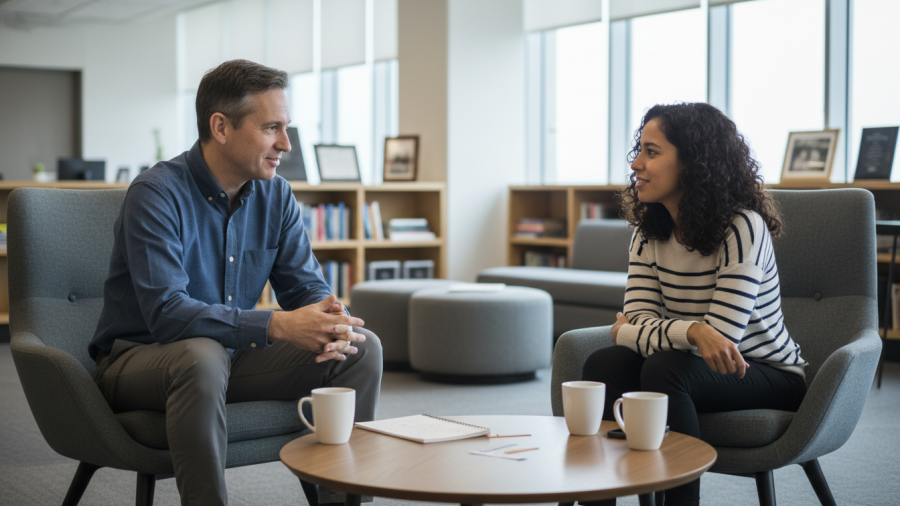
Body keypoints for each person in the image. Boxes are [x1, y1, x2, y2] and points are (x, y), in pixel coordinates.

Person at [88, 59, 383, 506]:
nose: (286, 144)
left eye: (286, 128)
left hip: (227, 359)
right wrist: (277, 326)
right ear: (221, 126)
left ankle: (339, 500)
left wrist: (333, 319)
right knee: (199, 355)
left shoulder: (276, 194)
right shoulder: (156, 194)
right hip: (140, 362)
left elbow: (305, 289)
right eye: (272, 128)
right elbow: (168, 315)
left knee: (362, 346)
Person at [581, 103, 807, 506]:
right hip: (688, 362)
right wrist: (692, 332)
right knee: (604, 365)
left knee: (668, 371)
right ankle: (599, 497)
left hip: (767, 373)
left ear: (695, 163)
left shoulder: (742, 227)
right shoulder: (647, 233)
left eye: (652, 152)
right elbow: (634, 330)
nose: (636, 164)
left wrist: (660, 332)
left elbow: (721, 343)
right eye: (639, 150)